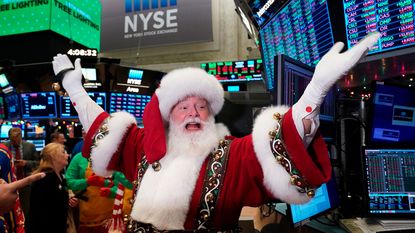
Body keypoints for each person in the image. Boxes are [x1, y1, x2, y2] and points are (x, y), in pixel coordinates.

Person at [52, 32, 381, 231]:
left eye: (201, 107)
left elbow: (280, 138)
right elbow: (101, 124)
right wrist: (73, 86)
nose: (193, 113)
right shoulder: (142, 148)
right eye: (183, 106)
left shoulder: (232, 156)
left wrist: (316, 89)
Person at [26, 143, 78, 233]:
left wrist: (68, 200)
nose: (67, 155)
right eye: (63, 152)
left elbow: (55, 200)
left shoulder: (59, 176)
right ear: (53, 156)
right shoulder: (44, 178)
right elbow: (39, 212)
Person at [66, 152, 115, 233]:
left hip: (110, 215)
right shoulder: (79, 158)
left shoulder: (112, 156)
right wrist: (87, 182)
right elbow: (69, 182)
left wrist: (105, 183)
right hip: (87, 217)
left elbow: (122, 181)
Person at [2, 127, 39, 220]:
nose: (15, 143)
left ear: (21, 137)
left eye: (17, 141)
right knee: (10, 212)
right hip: (9, 184)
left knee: (26, 211)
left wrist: (26, 163)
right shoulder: (4, 148)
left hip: (25, 184)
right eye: (12, 141)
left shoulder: (30, 146)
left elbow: (38, 163)